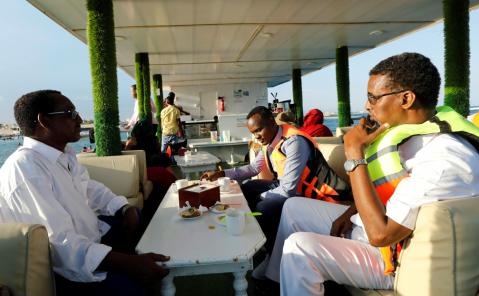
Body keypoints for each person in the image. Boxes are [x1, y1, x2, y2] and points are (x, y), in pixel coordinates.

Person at [264, 53, 479, 295]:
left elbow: (380, 235)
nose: (367, 106)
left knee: (300, 248)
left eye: (373, 98)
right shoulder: (414, 134)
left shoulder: (441, 158)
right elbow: (389, 189)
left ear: (406, 99)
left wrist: (355, 153)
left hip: (392, 258)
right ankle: (276, 283)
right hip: (373, 226)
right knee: (293, 207)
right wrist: (353, 210)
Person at [0, 90, 170, 296]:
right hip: (67, 269)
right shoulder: (25, 169)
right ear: (44, 121)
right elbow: (60, 244)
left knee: (146, 213)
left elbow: (90, 188)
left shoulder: (64, 155)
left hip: (92, 238)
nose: (80, 119)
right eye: (70, 113)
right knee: (137, 289)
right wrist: (130, 263)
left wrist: (123, 207)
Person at [201, 106, 351, 269]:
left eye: (259, 130)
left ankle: (275, 256)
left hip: (318, 194)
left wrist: (262, 196)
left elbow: (288, 189)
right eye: (253, 133)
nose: (257, 137)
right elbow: (253, 169)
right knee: (248, 187)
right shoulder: (270, 140)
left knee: (263, 206)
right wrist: (222, 173)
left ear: (272, 122)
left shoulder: (294, 142)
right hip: (290, 185)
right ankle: (262, 242)